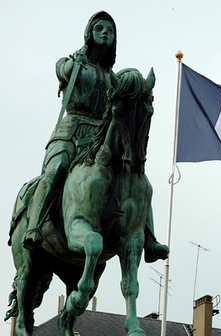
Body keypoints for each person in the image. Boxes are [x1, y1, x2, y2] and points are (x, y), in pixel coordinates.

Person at [23, 11, 168, 263]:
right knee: (56, 169)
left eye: (110, 31)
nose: (105, 33)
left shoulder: (113, 78)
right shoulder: (72, 64)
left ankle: (149, 239)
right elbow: (62, 70)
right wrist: (73, 61)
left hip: (100, 135)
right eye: (99, 28)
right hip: (71, 131)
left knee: (135, 176)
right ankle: (34, 227)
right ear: (89, 34)